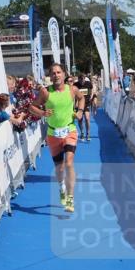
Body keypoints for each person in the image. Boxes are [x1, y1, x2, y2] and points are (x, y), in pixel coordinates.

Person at [31, 63, 84, 213]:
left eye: (59, 72)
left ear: (64, 74)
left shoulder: (72, 89)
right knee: (59, 168)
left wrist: (80, 111)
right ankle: (61, 187)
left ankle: (70, 198)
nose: (56, 75)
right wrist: (42, 113)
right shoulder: (45, 92)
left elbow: (81, 98)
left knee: (69, 163)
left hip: (70, 130)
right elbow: (32, 107)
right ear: (50, 76)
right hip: (53, 134)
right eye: (53, 73)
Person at [76, 73, 94, 141]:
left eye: (82, 80)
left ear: (84, 79)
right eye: (80, 80)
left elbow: (92, 90)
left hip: (87, 103)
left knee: (87, 118)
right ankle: (82, 133)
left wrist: (91, 96)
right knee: (80, 119)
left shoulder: (88, 83)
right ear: (78, 79)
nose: (81, 82)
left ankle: (88, 133)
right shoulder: (76, 85)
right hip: (79, 104)